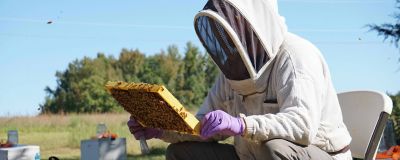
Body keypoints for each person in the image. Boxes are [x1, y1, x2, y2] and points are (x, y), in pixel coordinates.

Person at [127, 0, 352, 159]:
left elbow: (302, 126)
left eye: (234, 18)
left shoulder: (296, 56)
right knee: (180, 153)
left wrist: (242, 125)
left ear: (254, 20)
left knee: (273, 149)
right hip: (249, 156)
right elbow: (201, 126)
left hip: (319, 154)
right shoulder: (233, 71)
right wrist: (161, 129)